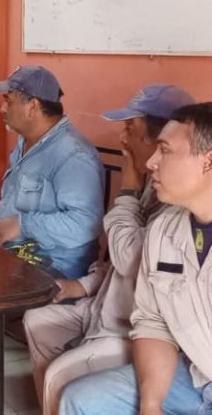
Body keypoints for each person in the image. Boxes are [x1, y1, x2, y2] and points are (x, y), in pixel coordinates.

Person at [0, 65, 105, 415]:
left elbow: (85, 225)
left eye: (7, 100)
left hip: (52, 260)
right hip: (14, 247)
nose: (1, 108)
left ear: (33, 106)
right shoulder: (28, 143)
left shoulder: (73, 156)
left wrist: (23, 225)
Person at [23, 84, 193, 415]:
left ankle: (65, 396)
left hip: (130, 328)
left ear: (153, 139)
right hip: (101, 306)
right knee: (37, 321)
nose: (122, 139)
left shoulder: (177, 207)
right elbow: (114, 263)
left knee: (64, 380)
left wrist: (127, 189)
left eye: (130, 128)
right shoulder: (152, 190)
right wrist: (80, 286)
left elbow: (129, 257)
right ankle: (53, 406)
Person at [60, 102, 212, 415]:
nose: (153, 162)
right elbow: (154, 323)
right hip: (196, 378)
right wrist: (151, 404)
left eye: (165, 151)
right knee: (80, 399)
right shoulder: (165, 229)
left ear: (208, 162)